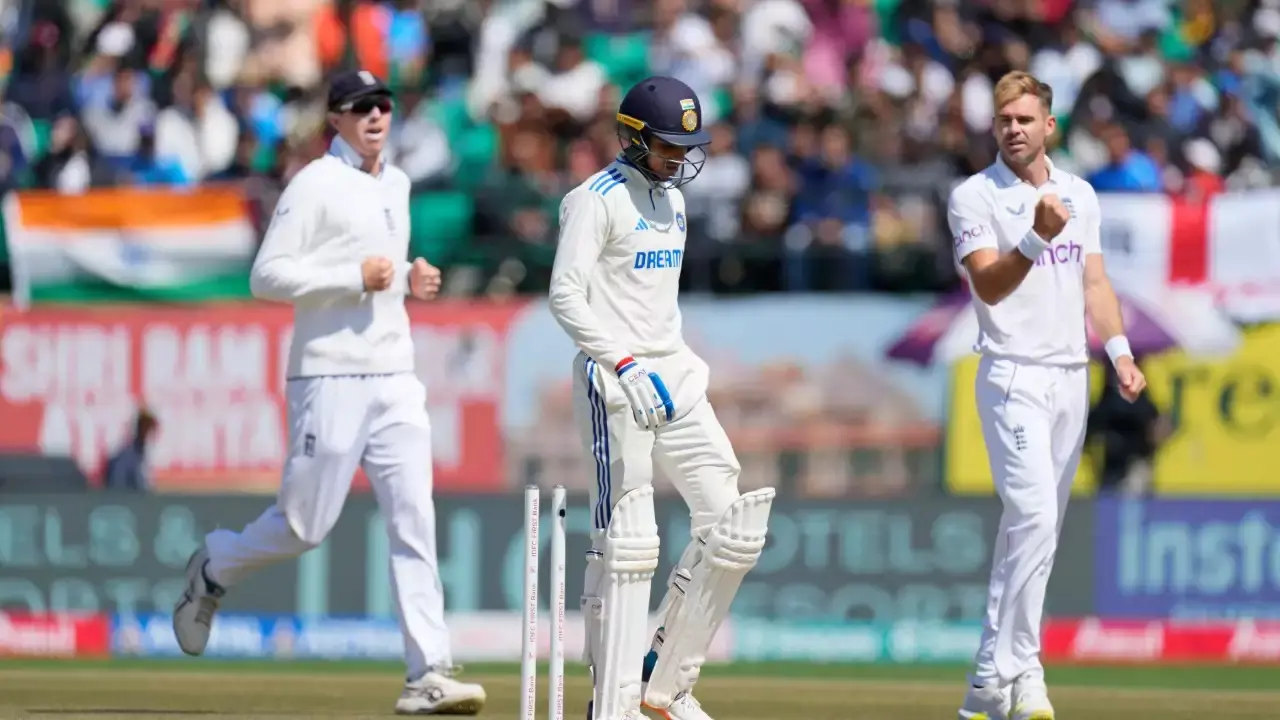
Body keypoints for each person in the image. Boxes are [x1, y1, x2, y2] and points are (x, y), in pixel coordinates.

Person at [170, 69, 486, 716]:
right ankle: (215, 567)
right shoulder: (313, 182)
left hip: (396, 375)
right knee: (303, 527)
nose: (375, 116)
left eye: (383, 106)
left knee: (414, 519)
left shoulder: (396, 183)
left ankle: (428, 673)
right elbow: (266, 276)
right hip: (328, 374)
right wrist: (355, 277)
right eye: (359, 108)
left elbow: (381, 273)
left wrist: (409, 276)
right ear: (335, 120)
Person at [549, 75, 776, 720]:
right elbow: (565, 295)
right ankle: (610, 703)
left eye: (687, 145)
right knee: (628, 539)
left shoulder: (674, 202)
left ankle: (662, 679)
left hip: (675, 377)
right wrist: (620, 362)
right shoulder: (594, 201)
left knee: (732, 524)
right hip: (614, 381)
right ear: (632, 136)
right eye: (668, 145)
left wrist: (657, 362)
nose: (680, 157)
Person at [948, 70, 1148, 720]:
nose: (1013, 129)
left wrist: (1119, 352)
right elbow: (989, 287)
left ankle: (1022, 676)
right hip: (1012, 374)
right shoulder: (974, 197)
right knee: (1031, 517)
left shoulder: (1080, 196)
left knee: (1039, 532)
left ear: (1049, 126)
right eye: (1004, 119)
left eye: (1025, 119)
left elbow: (1094, 283)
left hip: (1070, 377)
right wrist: (1034, 236)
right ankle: (991, 678)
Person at [103, 407, 158, 491]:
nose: (151, 435)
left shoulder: (142, 457)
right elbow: (117, 488)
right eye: (147, 429)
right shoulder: (126, 458)